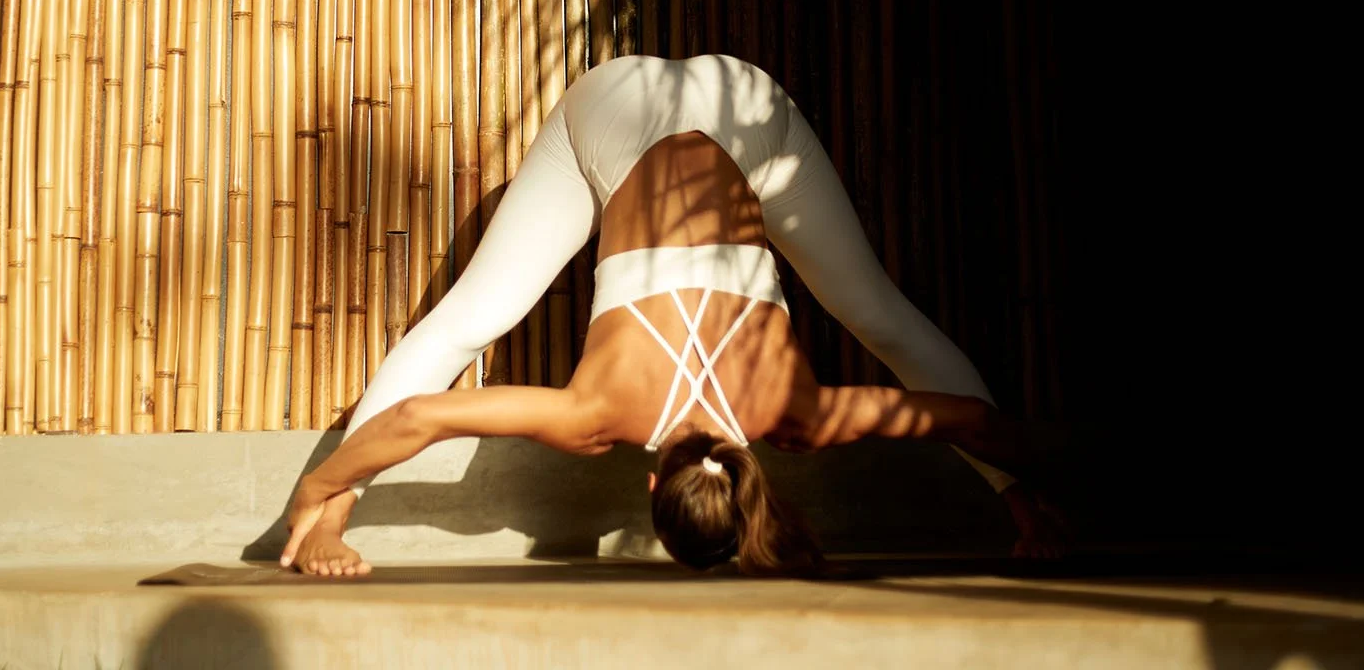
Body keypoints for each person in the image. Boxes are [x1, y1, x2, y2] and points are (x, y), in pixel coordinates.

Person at [281, 54, 1066, 577]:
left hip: (744, 108)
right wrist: (316, 490)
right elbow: (423, 418)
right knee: (469, 322)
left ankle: (1030, 512)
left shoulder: (800, 415)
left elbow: (971, 421)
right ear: (653, 481)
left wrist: (1037, 494)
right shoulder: (595, 416)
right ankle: (325, 523)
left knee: (878, 313)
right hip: (618, 114)